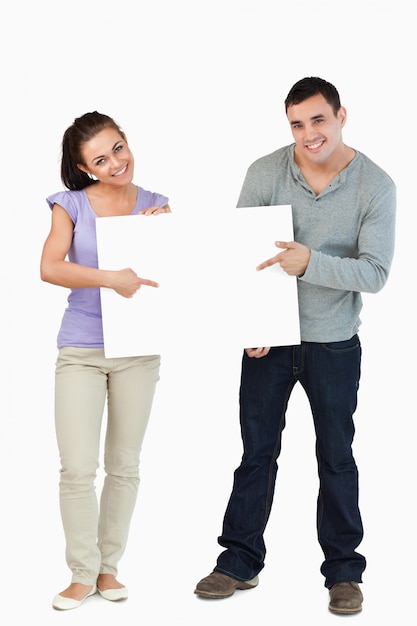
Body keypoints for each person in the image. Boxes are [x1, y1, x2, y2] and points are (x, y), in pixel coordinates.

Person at [194, 77, 396, 614]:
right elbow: (238, 255)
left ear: (341, 116)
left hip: (333, 343)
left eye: (318, 120)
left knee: (336, 456)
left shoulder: (375, 185)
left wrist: (311, 262)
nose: (309, 134)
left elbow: (375, 274)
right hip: (269, 340)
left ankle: (344, 573)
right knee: (256, 453)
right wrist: (248, 323)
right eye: (297, 124)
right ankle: (238, 561)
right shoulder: (265, 171)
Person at [40, 111, 170, 610]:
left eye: (118, 148)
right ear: (83, 166)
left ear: (126, 141)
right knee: (76, 468)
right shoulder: (69, 205)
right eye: (100, 158)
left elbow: (174, 278)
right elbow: (50, 267)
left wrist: (165, 236)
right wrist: (110, 277)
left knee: (123, 465)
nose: (115, 162)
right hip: (83, 349)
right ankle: (81, 573)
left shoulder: (158, 205)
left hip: (138, 350)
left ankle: (109, 569)